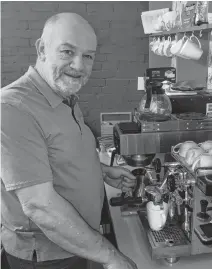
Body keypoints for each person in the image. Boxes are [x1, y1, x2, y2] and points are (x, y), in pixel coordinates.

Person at [1, 12, 138, 269]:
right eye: (67, 52)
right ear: (42, 49)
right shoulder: (13, 108)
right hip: (46, 257)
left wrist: (103, 172)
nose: (79, 65)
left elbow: (62, 158)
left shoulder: (64, 96)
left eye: (88, 56)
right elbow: (39, 205)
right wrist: (111, 257)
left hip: (77, 242)